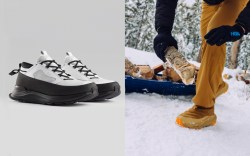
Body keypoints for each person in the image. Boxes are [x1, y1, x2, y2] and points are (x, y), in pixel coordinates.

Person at [154, 0, 250, 129]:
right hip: (211, 2)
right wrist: (163, 31)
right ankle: (216, 84)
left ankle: (204, 109)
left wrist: (240, 28)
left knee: (214, 37)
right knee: (209, 38)